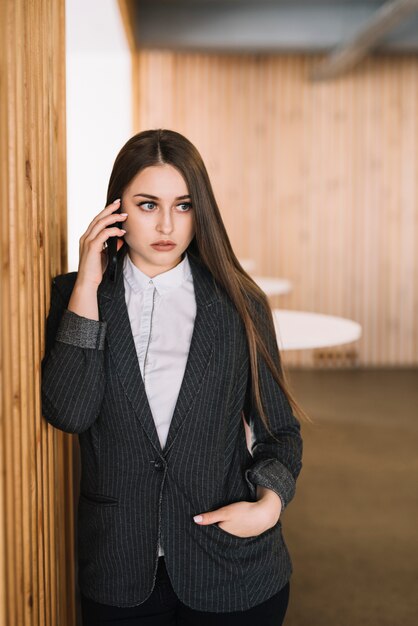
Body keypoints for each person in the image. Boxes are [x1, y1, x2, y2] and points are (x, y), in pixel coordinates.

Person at [41, 129, 308, 626]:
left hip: (232, 571)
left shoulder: (240, 305)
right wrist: (88, 282)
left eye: (183, 205)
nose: (166, 224)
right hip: (120, 571)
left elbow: (280, 433)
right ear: (116, 208)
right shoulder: (77, 297)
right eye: (147, 205)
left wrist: (268, 506)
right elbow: (70, 413)